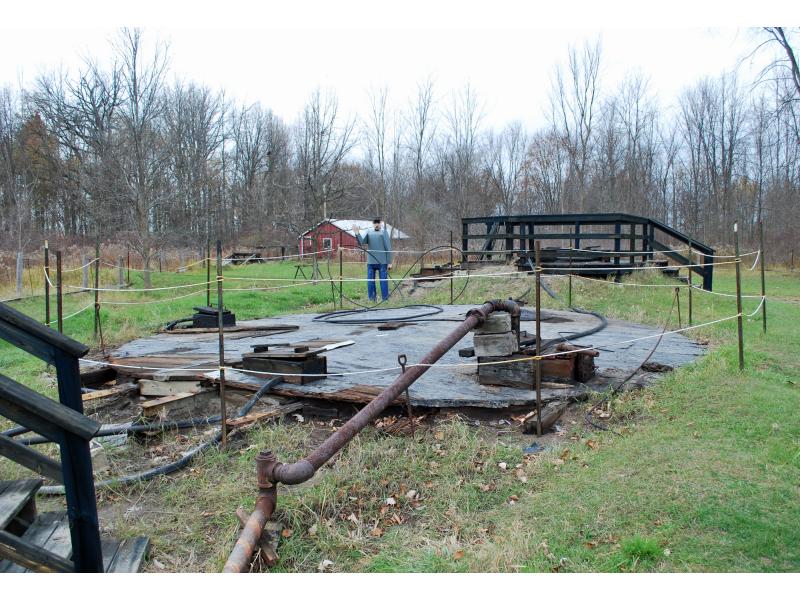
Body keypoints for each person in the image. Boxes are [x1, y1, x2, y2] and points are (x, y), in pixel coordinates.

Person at [352, 218, 393, 302]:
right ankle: (372, 299)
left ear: (381, 223)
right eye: (375, 223)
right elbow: (362, 242)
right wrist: (357, 233)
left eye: (378, 223)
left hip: (382, 262)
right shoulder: (369, 232)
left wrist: (389, 262)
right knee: (370, 282)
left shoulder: (384, 232)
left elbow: (388, 247)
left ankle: (385, 299)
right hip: (371, 262)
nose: (377, 224)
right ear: (373, 224)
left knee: (383, 281)